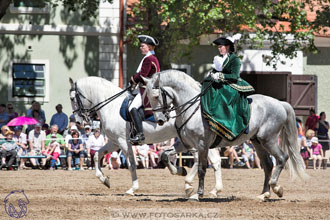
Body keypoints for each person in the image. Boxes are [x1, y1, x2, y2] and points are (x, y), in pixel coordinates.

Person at [201, 34, 254, 141]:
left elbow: (235, 76)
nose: (219, 49)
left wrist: (221, 76)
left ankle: (227, 124)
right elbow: (216, 71)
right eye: (219, 47)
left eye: (221, 47)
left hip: (233, 84)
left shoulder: (235, 60)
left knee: (224, 96)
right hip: (222, 83)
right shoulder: (219, 59)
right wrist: (212, 74)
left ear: (228, 47)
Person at [128, 35, 160, 144]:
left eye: (143, 46)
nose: (140, 48)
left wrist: (131, 80)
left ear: (149, 47)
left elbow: (142, 75)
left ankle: (140, 134)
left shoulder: (148, 59)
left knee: (132, 107)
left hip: (146, 90)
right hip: (148, 88)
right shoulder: (153, 58)